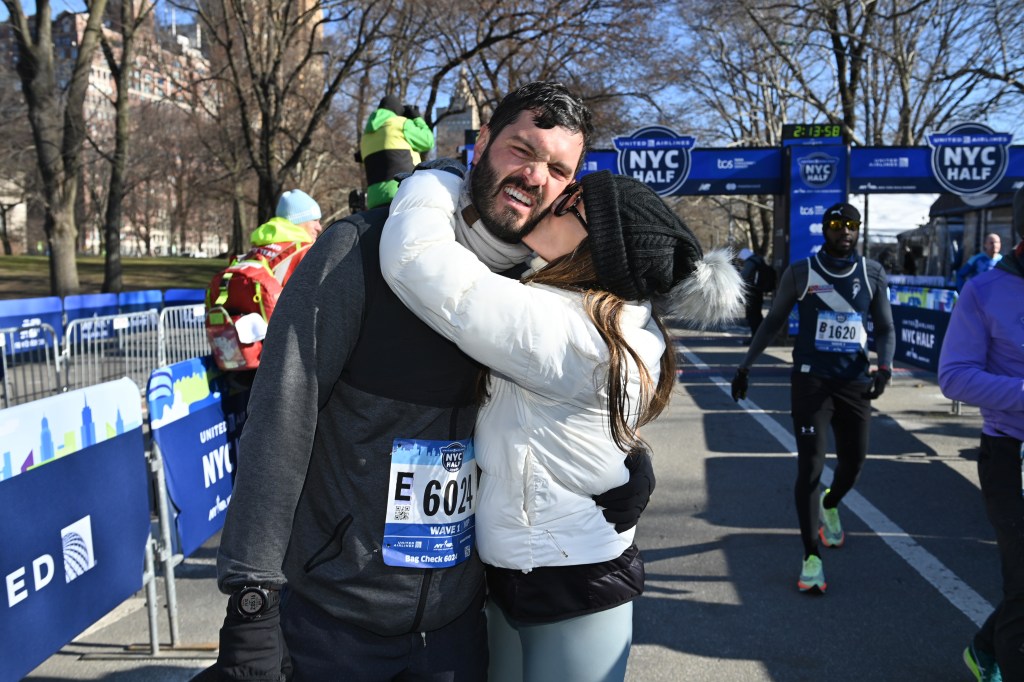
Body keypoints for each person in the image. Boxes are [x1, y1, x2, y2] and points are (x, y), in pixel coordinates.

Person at [196, 81, 655, 682]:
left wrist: (621, 461)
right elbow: (280, 422)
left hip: (458, 625)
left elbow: (561, 405)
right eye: (521, 149)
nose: (535, 176)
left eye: (557, 169)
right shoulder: (356, 250)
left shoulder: (542, 284)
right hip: (336, 621)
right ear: (482, 142)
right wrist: (252, 599)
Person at [380, 167, 744, 680]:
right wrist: (632, 459)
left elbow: (419, 263)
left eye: (572, 199)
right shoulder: (593, 316)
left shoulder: (563, 327)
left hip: (571, 580)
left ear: (598, 248)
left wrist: (433, 180)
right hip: (527, 566)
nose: (554, 197)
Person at [730, 201, 895, 594]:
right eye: (837, 224)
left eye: (852, 225)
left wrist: (884, 368)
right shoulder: (802, 272)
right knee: (811, 467)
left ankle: (832, 503)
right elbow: (772, 324)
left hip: (854, 381)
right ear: (825, 229)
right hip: (811, 383)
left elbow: (885, 328)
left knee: (854, 463)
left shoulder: (872, 273)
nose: (845, 231)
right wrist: (745, 367)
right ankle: (811, 558)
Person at [939, 186, 1024, 682]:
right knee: (1023, 586)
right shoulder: (986, 289)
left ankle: (984, 646)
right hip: (1009, 455)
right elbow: (954, 376)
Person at [357, 95, 435, 209]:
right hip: (402, 192)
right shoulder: (400, 123)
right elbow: (428, 141)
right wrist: (417, 119)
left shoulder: (366, 136)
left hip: (374, 199)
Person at [248, 189, 323, 287]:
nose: (319, 228)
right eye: (314, 220)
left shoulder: (260, 245)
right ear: (298, 219)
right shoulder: (306, 252)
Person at [738, 247, 775, 341]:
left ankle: (756, 337)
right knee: (757, 314)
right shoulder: (758, 260)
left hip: (753, 292)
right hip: (758, 291)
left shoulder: (751, 262)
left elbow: (743, 277)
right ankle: (759, 336)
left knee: (753, 315)